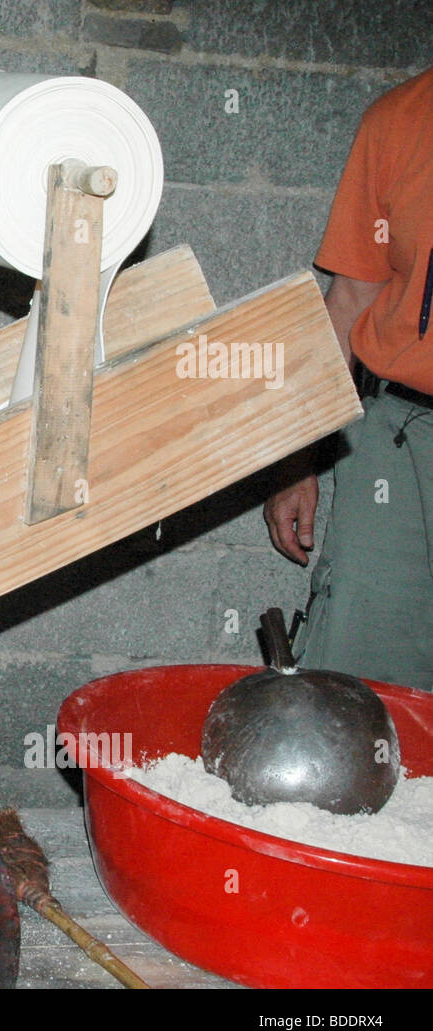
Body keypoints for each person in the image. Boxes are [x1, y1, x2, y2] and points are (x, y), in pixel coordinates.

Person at [263, 66, 433, 689]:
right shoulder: (402, 118)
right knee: (362, 688)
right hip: (403, 440)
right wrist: (296, 457)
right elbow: (351, 299)